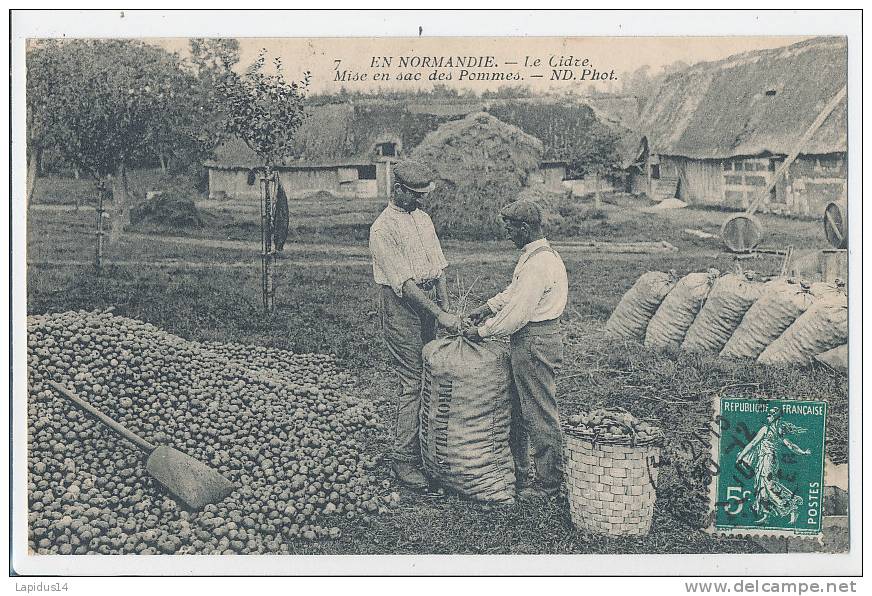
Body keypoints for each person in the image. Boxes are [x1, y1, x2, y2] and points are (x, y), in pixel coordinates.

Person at [462, 199, 569, 501]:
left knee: (539, 412)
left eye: (510, 228)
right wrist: (488, 306)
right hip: (533, 338)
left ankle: (548, 484)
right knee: (524, 408)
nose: (507, 233)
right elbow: (515, 292)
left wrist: (482, 331)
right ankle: (524, 471)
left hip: (534, 340)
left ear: (524, 228)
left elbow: (518, 314)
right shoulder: (536, 256)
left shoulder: (538, 264)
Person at [369, 159, 460, 489]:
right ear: (397, 190)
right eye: (413, 195)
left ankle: (424, 448)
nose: (419, 201)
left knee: (431, 372)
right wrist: (439, 314)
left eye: (423, 195)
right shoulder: (382, 229)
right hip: (401, 306)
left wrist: (446, 308)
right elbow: (404, 284)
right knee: (414, 380)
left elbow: (438, 268)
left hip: (428, 301)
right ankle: (403, 460)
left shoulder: (422, 219)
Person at [737, 407, 811, 525]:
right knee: (763, 486)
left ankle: (793, 507)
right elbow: (790, 445)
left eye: (770, 415)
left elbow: (753, 443)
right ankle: (766, 515)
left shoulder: (766, 429)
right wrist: (802, 452)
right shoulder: (778, 430)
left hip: (767, 460)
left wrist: (741, 456)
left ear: (775, 417)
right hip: (766, 460)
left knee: (769, 486)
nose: (768, 416)